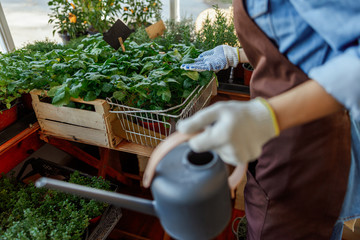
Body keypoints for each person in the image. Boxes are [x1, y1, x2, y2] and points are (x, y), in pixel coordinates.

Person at [177, 1, 360, 239]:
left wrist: (269, 116)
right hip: (280, 147)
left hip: (308, 155)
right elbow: (304, 49)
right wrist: (236, 54)